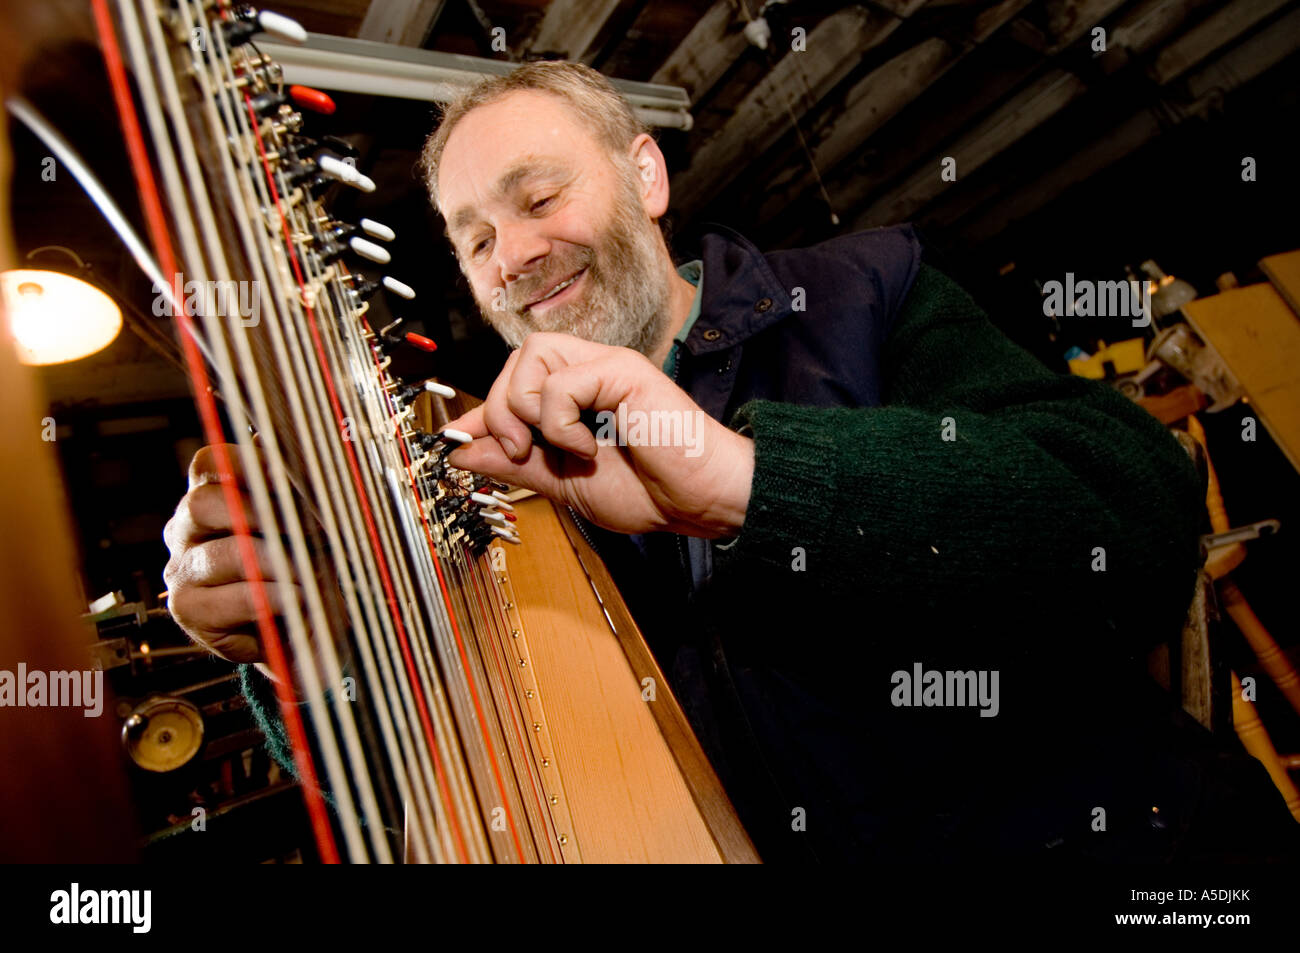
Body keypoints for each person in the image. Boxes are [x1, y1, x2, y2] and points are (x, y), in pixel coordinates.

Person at [165, 62, 1295, 863]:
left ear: (645, 176)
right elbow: (445, 791)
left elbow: (1136, 518)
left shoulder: (865, 290)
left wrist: (743, 482)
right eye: (471, 238)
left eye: (538, 196)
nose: (510, 255)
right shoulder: (501, 481)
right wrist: (310, 662)